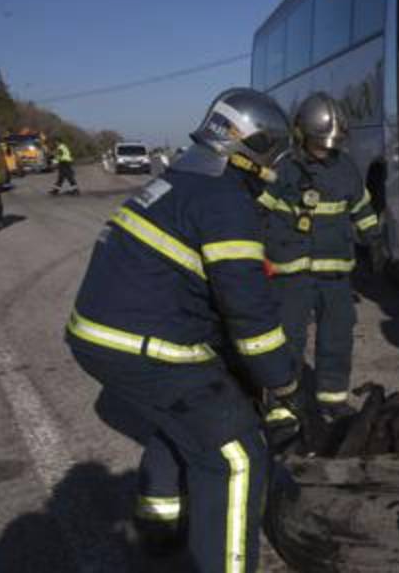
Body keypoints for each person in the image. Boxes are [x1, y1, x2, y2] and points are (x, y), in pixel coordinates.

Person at [65, 88, 324, 572]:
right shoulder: (225, 201)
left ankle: (160, 526)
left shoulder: (182, 181)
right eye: (273, 152)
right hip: (140, 343)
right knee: (235, 455)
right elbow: (249, 318)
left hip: (103, 333)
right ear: (254, 145)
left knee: (190, 421)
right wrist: (284, 383)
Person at [258, 92, 382, 420]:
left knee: (337, 339)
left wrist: (375, 238)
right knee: (288, 341)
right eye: (321, 142)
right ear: (301, 135)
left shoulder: (346, 169)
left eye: (333, 142)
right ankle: (283, 404)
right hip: (290, 274)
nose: (328, 148)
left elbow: (361, 207)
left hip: (335, 276)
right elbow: (257, 211)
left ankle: (332, 399)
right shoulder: (283, 169)